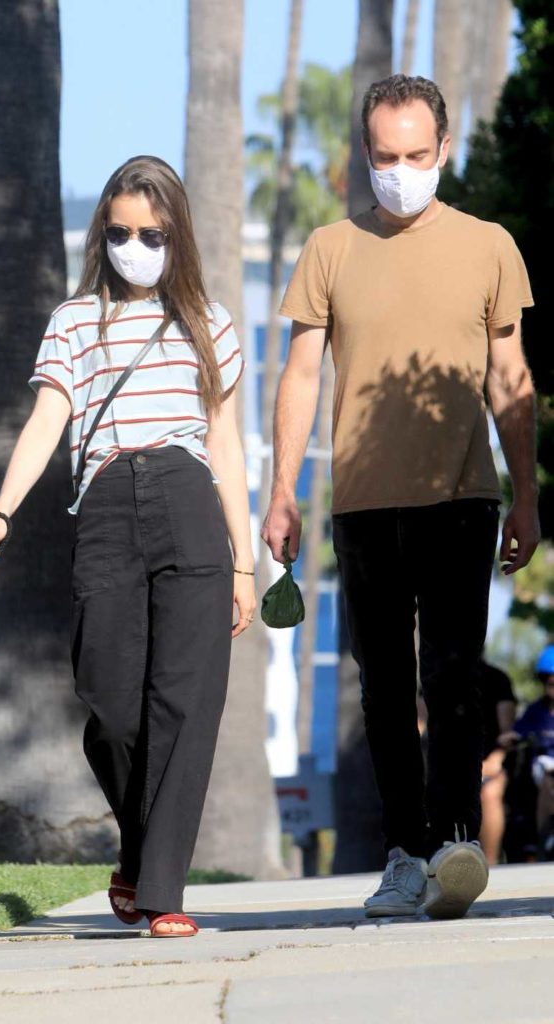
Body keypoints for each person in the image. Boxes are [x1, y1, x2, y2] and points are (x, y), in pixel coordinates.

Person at [262, 74, 538, 920]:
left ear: (443, 150)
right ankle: (405, 855)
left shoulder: (489, 243)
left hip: (461, 495)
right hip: (361, 504)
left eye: (416, 154)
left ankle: (455, 846)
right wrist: (280, 491)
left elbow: (508, 376)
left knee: (450, 676)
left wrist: (526, 495)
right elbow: (302, 374)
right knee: (380, 684)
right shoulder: (328, 249)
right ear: (365, 153)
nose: (400, 169)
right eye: (385, 155)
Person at [0, 155, 255, 938]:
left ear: (176, 234)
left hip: (190, 501)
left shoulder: (211, 321)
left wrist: (242, 560)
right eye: (120, 231)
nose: (134, 244)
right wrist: (1, 512)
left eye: (151, 232)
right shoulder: (73, 320)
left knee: (181, 705)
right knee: (110, 698)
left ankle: (161, 892)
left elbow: (226, 445)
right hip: (103, 506)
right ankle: (138, 852)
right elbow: (46, 421)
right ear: (103, 234)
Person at [500, 645, 554, 848]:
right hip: (544, 764)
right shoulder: (535, 711)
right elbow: (516, 732)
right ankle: (545, 839)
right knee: (550, 778)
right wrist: (509, 738)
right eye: (549, 682)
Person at [475, 658, 517, 865]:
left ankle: (489, 865)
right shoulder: (435, 676)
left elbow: (507, 732)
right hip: (445, 767)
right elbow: (420, 723)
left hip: (490, 763)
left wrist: (495, 759)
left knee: (489, 793)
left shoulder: (496, 678)